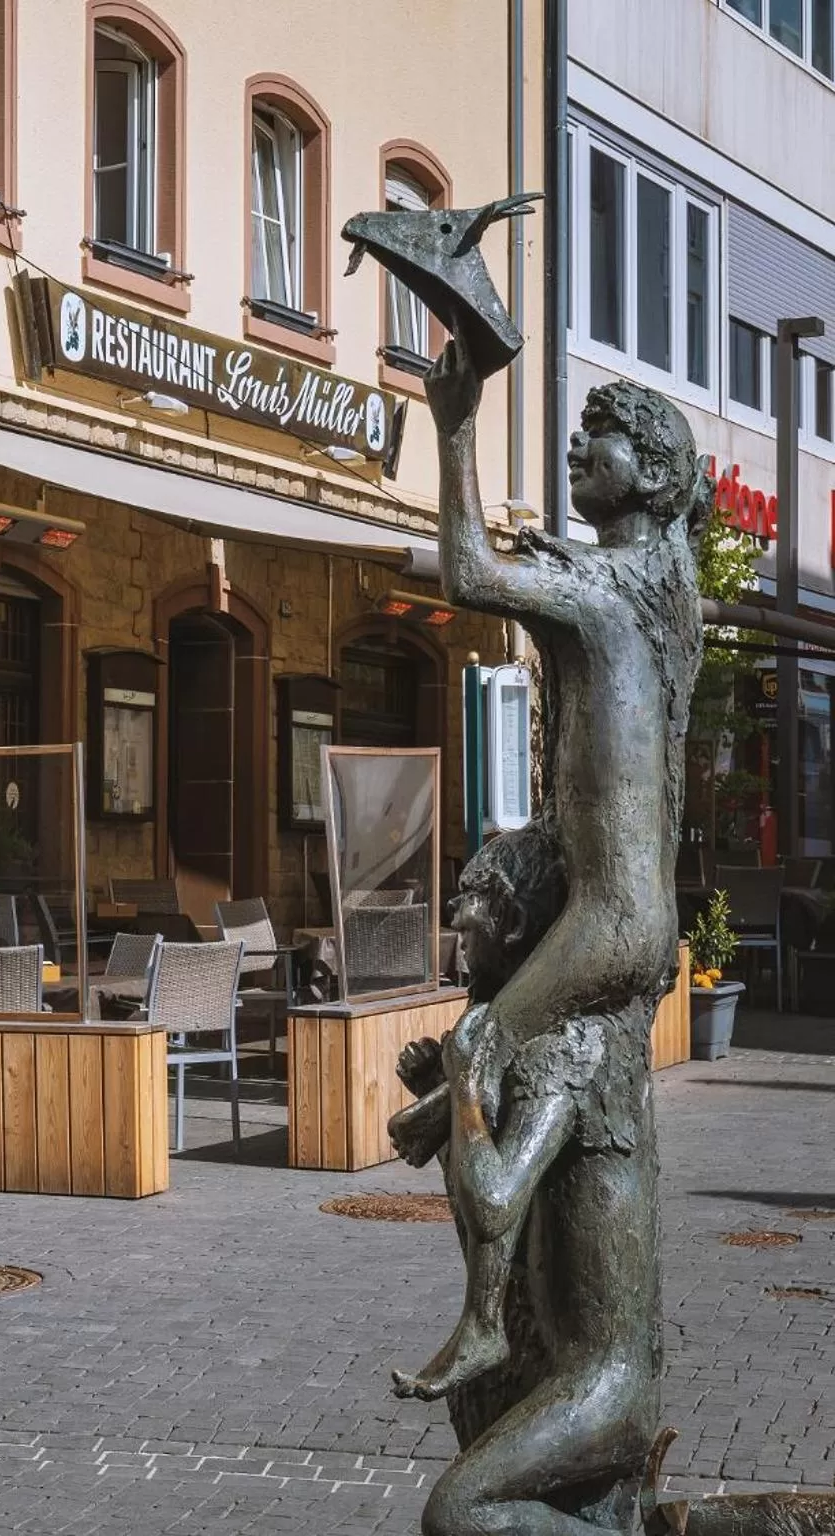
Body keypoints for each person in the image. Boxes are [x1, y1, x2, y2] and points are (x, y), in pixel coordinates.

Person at [408, 338, 706, 1536]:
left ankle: (482, 1316)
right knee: (474, 1062)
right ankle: (491, 1326)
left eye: (603, 435)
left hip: (609, 923)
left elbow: (465, 567)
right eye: (578, 428)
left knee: (480, 1043)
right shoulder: (639, 596)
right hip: (617, 923)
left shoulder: (609, 590)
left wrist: (457, 415)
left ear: (657, 476)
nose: (578, 446)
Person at [387, 824, 565, 1403]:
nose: (458, 938)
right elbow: (467, 1174)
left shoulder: (536, 1048)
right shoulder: (490, 1018)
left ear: (511, 925)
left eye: (468, 926)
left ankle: (482, 1326)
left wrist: (457, 1084)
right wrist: (439, 1090)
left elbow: (490, 1202)